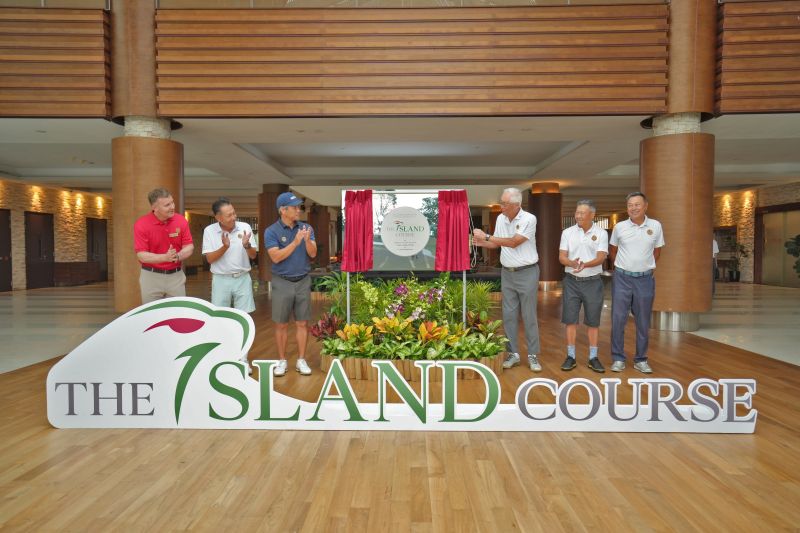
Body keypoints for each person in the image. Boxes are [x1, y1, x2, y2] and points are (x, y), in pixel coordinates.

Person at [473, 187, 542, 372]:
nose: (501, 206)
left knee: (528, 315)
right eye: (501, 202)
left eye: (504, 203)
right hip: (507, 273)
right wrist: (482, 242)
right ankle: (513, 354)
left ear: (516, 205)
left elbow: (513, 242)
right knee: (509, 316)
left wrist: (487, 236)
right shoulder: (501, 218)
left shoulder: (529, 219)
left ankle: (533, 355)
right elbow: (496, 244)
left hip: (527, 272)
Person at [609, 192, 665, 374]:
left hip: (645, 280)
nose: (633, 208)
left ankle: (641, 359)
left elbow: (657, 251)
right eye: (630, 205)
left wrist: (644, 267)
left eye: (637, 204)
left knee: (643, 320)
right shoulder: (619, 227)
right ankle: (618, 358)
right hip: (622, 278)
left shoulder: (655, 226)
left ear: (645, 206)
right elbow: (613, 251)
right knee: (618, 319)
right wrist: (623, 267)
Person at [263, 192, 317, 377]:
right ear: (283, 210)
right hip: (282, 281)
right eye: (294, 207)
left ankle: (301, 360)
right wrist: (295, 242)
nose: (298, 210)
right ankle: (282, 361)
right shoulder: (271, 231)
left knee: (302, 322)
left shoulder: (306, 228)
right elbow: (276, 257)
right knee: (281, 324)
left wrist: (307, 240)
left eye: (298, 207)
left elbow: (312, 254)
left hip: (303, 280)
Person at [558, 200, 608, 373]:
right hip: (571, 281)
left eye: (582, 213)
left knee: (593, 321)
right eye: (577, 212)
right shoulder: (567, 232)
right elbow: (562, 257)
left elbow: (601, 257)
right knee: (570, 320)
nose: (578, 216)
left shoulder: (601, 233)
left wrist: (584, 265)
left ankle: (593, 357)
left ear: (592, 215)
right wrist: (572, 263)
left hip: (593, 282)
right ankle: (570, 356)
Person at [134, 188, 194, 304]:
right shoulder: (141, 224)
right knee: (152, 313)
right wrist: (165, 257)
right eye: (167, 205)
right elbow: (141, 255)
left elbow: (189, 246)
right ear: (154, 208)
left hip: (176, 276)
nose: (172, 207)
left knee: (178, 311)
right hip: (151, 277)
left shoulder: (181, 220)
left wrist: (177, 256)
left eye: (172, 202)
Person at [202, 198, 257, 313]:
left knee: (244, 315)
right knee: (220, 315)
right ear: (218, 218)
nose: (234, 217)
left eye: (234, 213)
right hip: (220, 280)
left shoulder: (245, 227)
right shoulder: (209, 231)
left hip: (243, 278)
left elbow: (253, 256)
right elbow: (210, 259)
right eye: (229, 215)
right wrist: (225, 247)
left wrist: (247, 245)